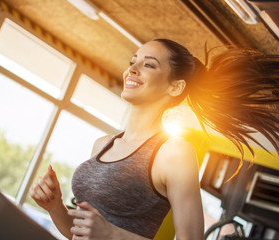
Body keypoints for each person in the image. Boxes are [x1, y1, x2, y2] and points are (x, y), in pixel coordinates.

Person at [29, 39, 279, 240]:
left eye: (149, 65)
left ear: (175, 88)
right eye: (133, 61)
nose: (132, 69)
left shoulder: (174, 153)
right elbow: (80, 233)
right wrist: (56, 207)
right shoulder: (103, 144)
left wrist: (113, 234)